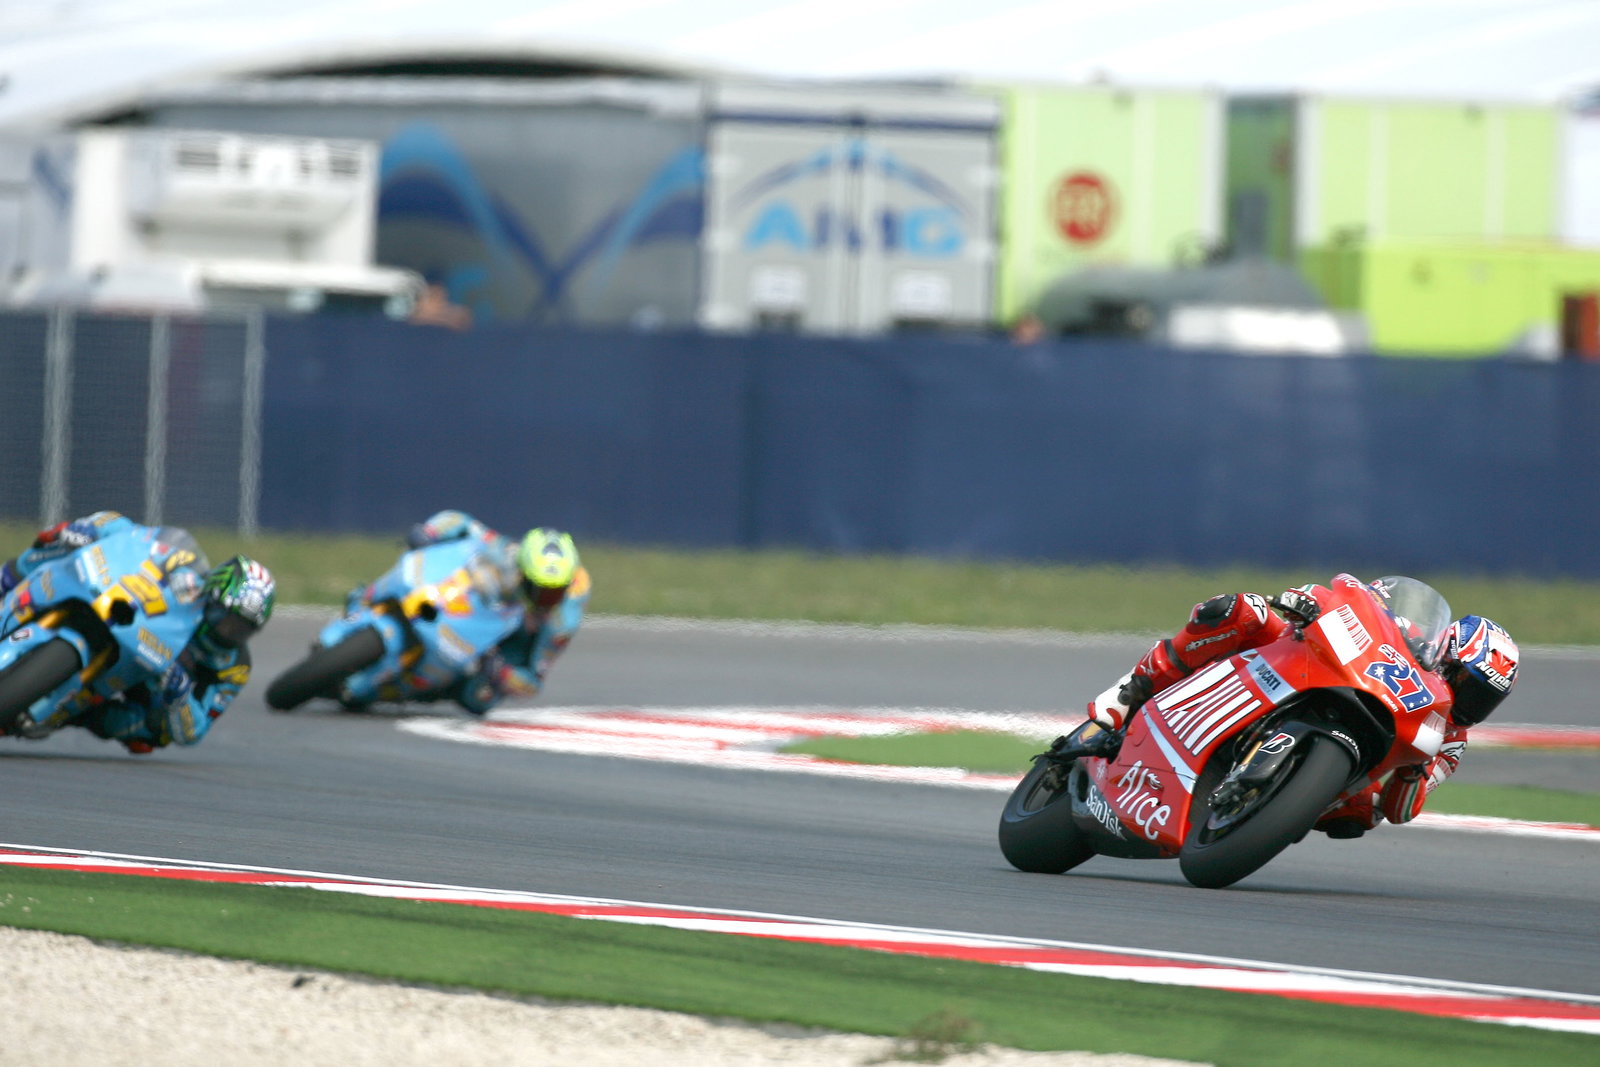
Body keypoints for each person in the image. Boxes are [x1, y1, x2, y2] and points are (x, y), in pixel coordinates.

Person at [1059, 577, 1521, 839]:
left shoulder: (1450, 741)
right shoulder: (1410, 634)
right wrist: (1307, 602)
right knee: (1242, 610)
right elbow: (1356, 598)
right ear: (1447, 653)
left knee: (1363, 814)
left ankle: (1272, 806)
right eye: (1465, 681)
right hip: (1312, 666)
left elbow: (1400, 810)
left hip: (1364, 750)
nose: (1468, 700)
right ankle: (1127, 696)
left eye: (1484, 698)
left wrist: (1414, 771)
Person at [0, 511, 276, 754]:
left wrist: (180, 697)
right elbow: (127, 530)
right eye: (224, 617)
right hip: (126, 623)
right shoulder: (186, 580)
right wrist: (89, 528)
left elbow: (194, 733)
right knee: (49, 548)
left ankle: (73, 714)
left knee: (155, 731)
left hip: (147, 681)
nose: (227, 630)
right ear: (211, 595)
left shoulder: (234, 667)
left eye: (240, 628)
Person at [349, 509, 590, 715]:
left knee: (479, 697)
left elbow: (533, 682)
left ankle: (430, 684)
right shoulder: (507, 552)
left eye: (556, 591)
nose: (547, 599)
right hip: (472, 601)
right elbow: (459, 520)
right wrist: (429, 532)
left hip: (504, 639)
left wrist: (501, 671)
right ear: (523, 570)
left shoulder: (562, 622)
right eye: (540, 589)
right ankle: (369, 597)